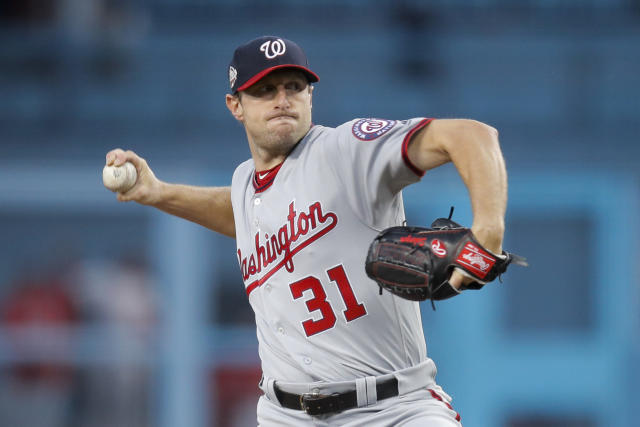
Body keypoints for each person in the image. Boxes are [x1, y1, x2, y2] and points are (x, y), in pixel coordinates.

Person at [105, 35, 507, 426]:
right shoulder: (247, 182)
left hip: (394, 408)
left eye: (294, 87)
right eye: (264, 90)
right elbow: (239, 213)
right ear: (235, 105)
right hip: (286, 414)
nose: (282, 100)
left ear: (310, 97)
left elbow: (472, 135)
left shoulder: (346, 151)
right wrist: (158, 193)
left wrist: (487, 228)